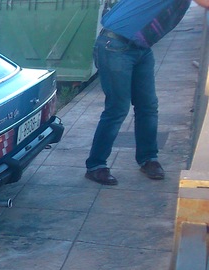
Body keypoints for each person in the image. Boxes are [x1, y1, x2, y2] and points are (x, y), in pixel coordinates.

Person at [85, 0, 209, 185]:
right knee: (117, 109)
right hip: (115, 45)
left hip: (140, 48)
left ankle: (148, 159)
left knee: (148, 106)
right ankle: (95, 166)